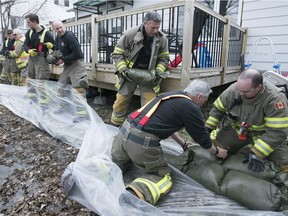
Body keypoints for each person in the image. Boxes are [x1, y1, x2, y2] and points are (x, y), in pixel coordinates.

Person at [111, 79, 228, 205]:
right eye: (205, 100)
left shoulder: (169, 96)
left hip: (123, 133)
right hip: (141, 143)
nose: (204, 103)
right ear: (199, 96)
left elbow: (167, 125)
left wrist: (183, 143)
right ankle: (134, 194)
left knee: (116, 163)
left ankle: (99, 172)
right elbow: (202, 139)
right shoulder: (191, 108)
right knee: (163, 177)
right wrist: (217, 152)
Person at [205, 68, 288, 173]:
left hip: (265, 135)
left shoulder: (275, 99)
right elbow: (218, 109)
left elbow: (277, 132)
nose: (240, 94)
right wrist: (208, 127)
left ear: (259, 87)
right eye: (239, 89)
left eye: (245, 91)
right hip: (238, 130)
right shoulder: (234, 90)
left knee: (283, 165)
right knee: (217, 148)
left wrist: (257, 153)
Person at [110, 11, 170, 126]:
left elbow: (164, 58)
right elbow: (117, 54)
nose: (156, 31)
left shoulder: (161, 38)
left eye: (158, 27)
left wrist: (158, 72)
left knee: (150, 104)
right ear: (145, 23)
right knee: (121, 101)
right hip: (129, 73)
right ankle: (115, 125)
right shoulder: (130, 34)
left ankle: (145, 128)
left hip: (149, 74)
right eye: (153, 27)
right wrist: (123, 70)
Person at [51, 19, 89, 122]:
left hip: (77, 64)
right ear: (54, 29)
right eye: (57, 28)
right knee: (60, 87)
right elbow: (57, 49)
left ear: (63, 26)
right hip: (67, 65)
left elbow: (78, 53)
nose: (59, 30)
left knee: (78, 89)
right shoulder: (58, 37)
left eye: (60, 27)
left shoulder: (70, 36)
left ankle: (82, 114)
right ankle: (64, 108)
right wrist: (55, 58)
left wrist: (63, 60)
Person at [23, 13, 55, 106]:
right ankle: (32, 100)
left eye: (29, 22)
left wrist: (51, 45)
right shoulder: (29, 33)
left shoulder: (46, 33)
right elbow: (25, 45)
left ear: (34, 22)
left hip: (42, 60)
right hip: (32, 59)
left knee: (41, 82)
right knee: (30, 80)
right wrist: (28, 50)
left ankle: (44, 103)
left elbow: (55, 47)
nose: (28, 24)